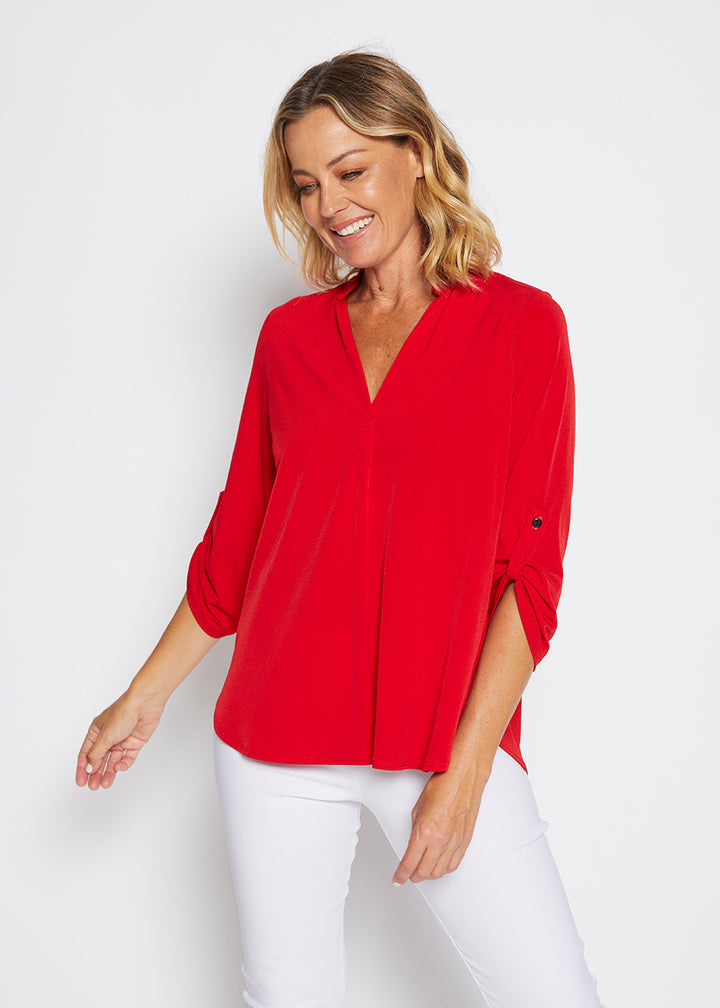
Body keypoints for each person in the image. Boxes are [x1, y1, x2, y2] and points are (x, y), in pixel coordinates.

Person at [76, 51, 605, 1008]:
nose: (329, 205)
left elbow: (530, 577)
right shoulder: (289, 339)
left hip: (439, 733)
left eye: (350, 171)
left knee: (552, 992)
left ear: (417, 153)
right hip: (274, 738)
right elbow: (237, 550)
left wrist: (466, 774)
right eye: (307, 184)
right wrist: (140, 700)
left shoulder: (522, 329)